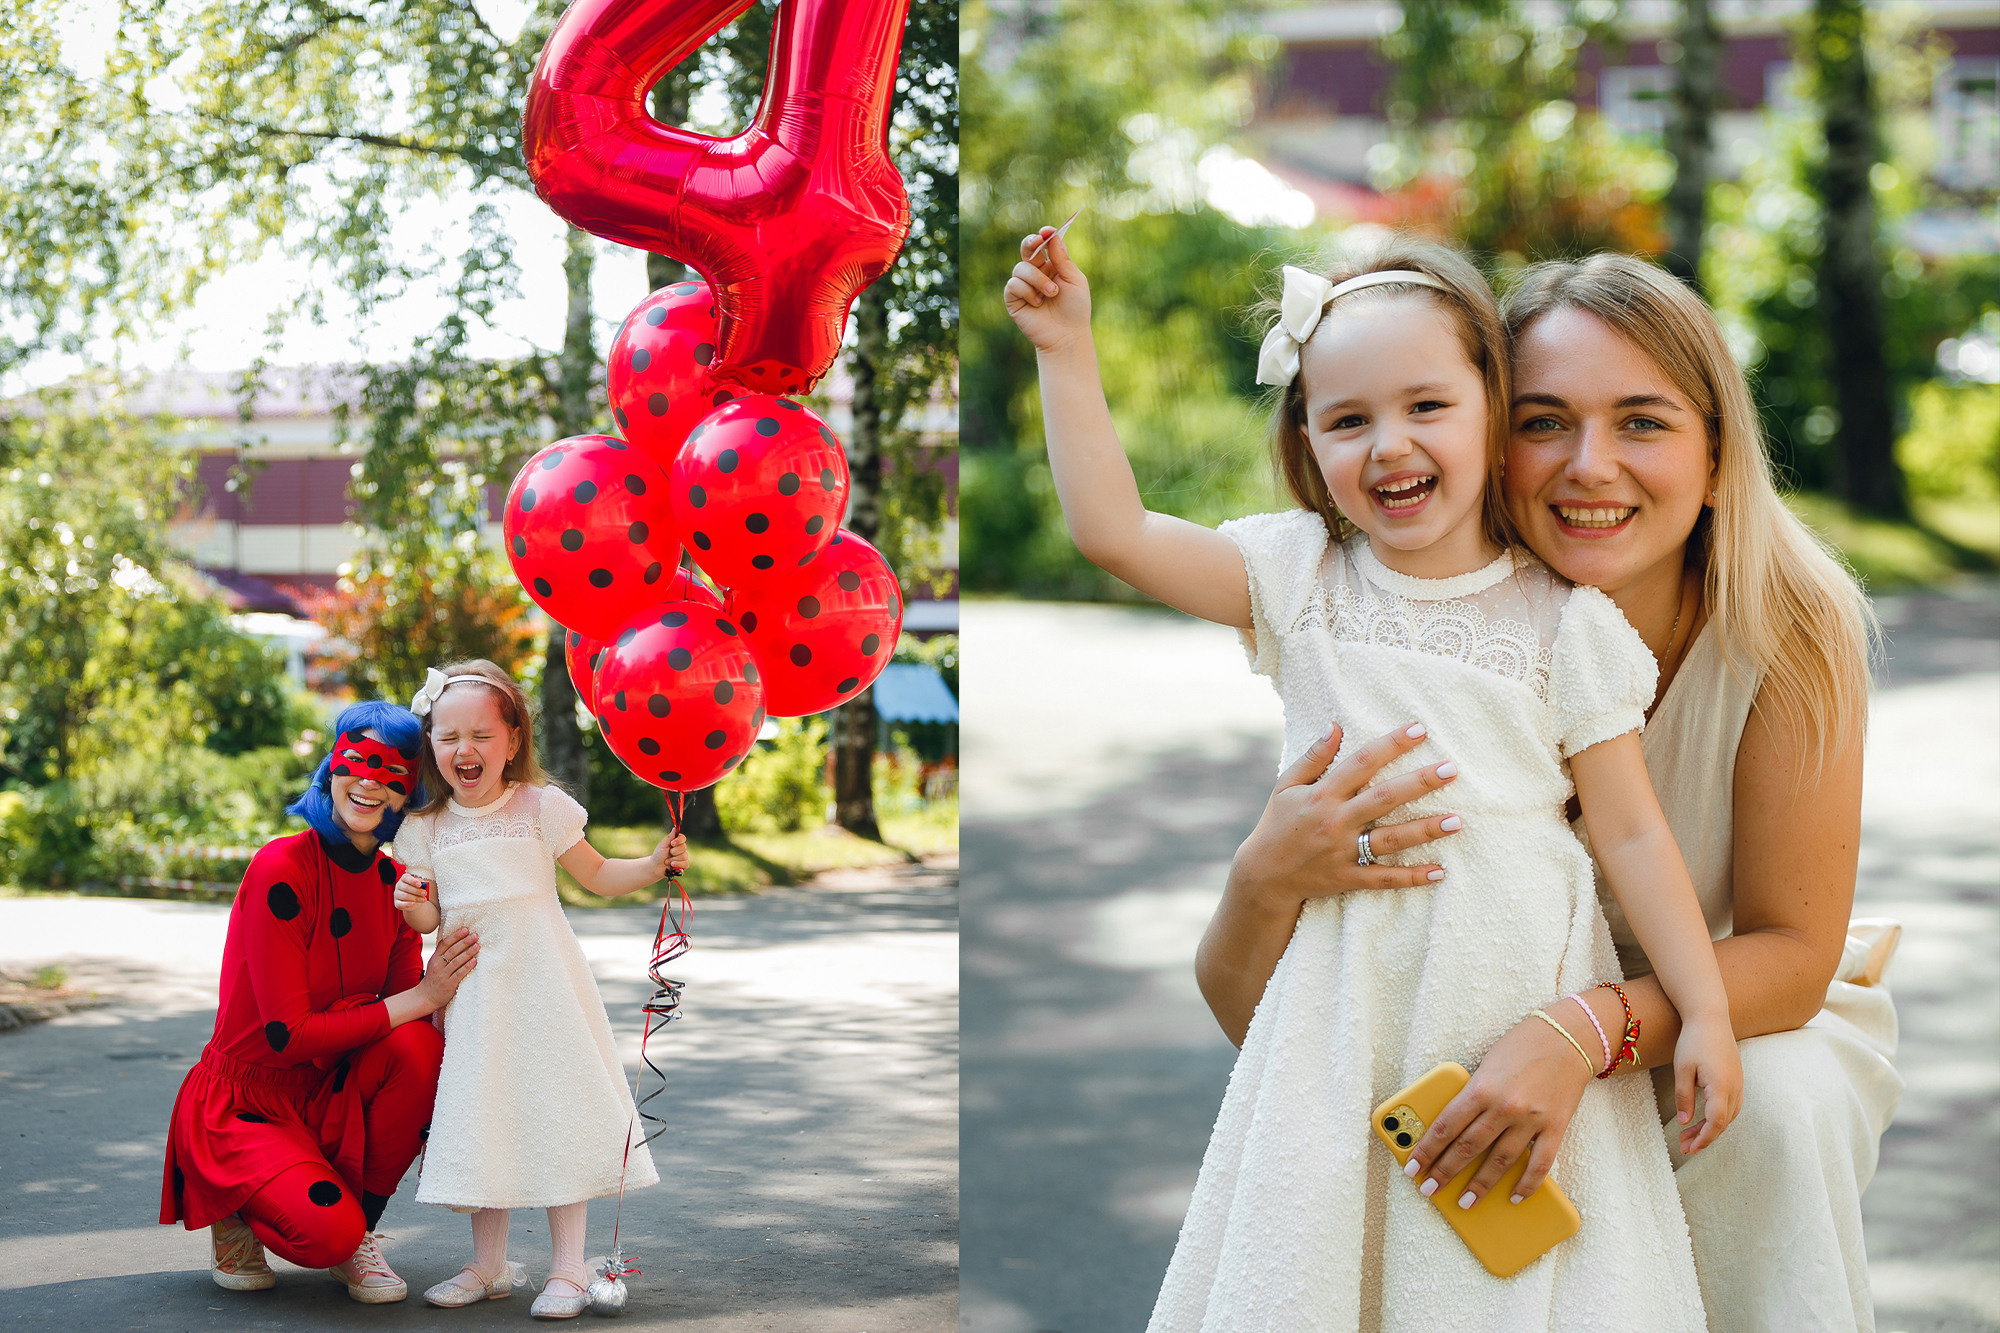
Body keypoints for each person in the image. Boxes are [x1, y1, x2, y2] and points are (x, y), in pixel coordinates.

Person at [1005, 228, 1736, 1330]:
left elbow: (1630, 837)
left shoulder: (1564, 623)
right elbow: (1111, 531)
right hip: (1345, 1016)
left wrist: (1706, 1012)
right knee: (1321, 1260)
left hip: (1509, 1004)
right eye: (1346, 419)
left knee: (1514, 1281)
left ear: (1493, 412)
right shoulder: (1300, 581)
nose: (1387, 444)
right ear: (1308, 438)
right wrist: (1065, 348)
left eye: (1424, 406)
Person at [1200, 253, 1901, 1331]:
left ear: (1713, 455)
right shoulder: (1395, 637)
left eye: (1641, 422)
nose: (1588, 466)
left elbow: (1793, 955)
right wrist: (1261, 873)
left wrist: (1581, 1029)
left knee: (1775, 1110)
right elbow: (1251, 1014)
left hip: (1723, 1012)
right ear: (1484, 433)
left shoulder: (1786, 626)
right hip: (1467, 1026)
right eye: (1541, 422)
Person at [388, 659, 689, 1319]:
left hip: (545, 985)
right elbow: (429, 918)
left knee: (559, 1111)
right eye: (447, 736)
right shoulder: (426, 825)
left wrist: (653, 861)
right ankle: (489, 1263)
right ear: (430, 744)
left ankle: (569, 1266)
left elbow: (599, 873)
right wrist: (410, 898)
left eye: (481, 735)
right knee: (485, 1114)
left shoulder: (539, 808)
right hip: (475, 995)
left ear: (513, 740)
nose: (464, 750)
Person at [160, 701, 481, 1302]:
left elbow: (402, 1015)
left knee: (419, 1046)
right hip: (250, 1100)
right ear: (331, 767)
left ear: (407, 798)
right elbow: (290, 1033)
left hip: (331, 1090)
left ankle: (358, 1230)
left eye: (393, 777)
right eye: (357, 762)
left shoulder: (393, 884)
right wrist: (427, 995)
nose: (369, 783)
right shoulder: (280, 868)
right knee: (323, 1235)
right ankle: (234, 1205)